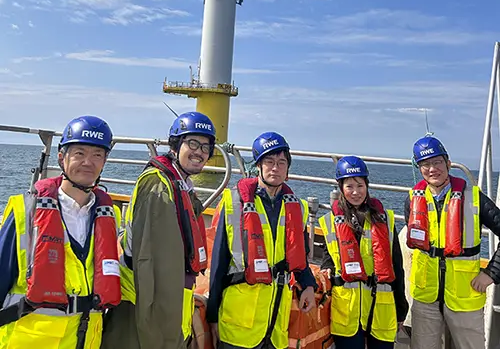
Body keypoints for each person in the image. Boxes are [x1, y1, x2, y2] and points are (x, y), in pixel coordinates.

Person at [0, 115, 120, 349]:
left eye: (97, 155)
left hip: (86, 340)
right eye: (79, 153)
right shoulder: (27, 211)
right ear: (61, 157)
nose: (88, 162)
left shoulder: (109, 215)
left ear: (105, 161)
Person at [102, 111, 216, 349]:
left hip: (169, 302)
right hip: (144, 308)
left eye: (206, 147)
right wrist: (157, 328)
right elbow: (151, 264)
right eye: (192, 143)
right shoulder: (158, 186)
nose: (199, 152)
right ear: (175, 146)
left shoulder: (180, 184)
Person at [207, 131, 316, 349]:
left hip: (275, 325)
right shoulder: (234, 203)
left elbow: (299, 257)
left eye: (281, 162)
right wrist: (212, 315)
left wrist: (309, 285)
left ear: (288, 168)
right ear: (258, 165)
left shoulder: (298, 208)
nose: (275, 168)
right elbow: (219, 263)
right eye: (269, 161)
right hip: (238, 325)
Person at [406, 135, 500, 349]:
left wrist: (491, 273)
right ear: (419, 168)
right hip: (425, 296)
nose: (432, 169)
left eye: (437, 162)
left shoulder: (474, 198)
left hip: (465, 295)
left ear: (448, 163)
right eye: (425, 164)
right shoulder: (412, 199)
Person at [319, 156, 408, 349]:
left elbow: (396, 265)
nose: (355, 192)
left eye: (360, 185)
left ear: (367, 185)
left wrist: (401, 308)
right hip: (347, 310)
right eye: (349, 186)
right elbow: (328, 255)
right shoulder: (330, 221)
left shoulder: (385, 220)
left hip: (381, 307)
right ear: (341, 188)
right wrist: (326, 267)